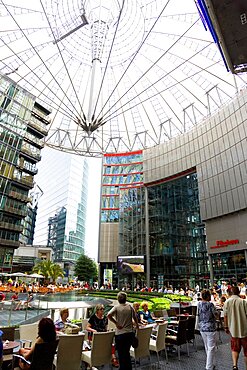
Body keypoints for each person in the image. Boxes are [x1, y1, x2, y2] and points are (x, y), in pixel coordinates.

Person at [107, 291, 139, 370]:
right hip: (129, 334)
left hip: (120, 334)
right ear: (126, 299)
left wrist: (116, 323)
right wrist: (137, 325)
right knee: (126, 353)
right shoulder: (130, 307)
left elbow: (108, 315)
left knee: (121, 354)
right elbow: (135, 317)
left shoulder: (116, 307)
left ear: (118, 299)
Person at [223, 286, 247, 370]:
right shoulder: (244, 302)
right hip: (245, 331)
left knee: (235, 348)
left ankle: (235, 365)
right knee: (246, 352)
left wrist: (226, 327)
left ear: (230, 293)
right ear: (238, 292)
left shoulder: (227, 302)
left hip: (233, 331)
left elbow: (225, 316)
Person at [198, 289, 218, 370]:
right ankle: (209, 366)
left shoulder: (199, 304)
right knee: (211, 347)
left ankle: (212, 363)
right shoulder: (211, 305)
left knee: (207, 347)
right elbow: (215, 314)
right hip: (210, 328)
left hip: (202, 327)